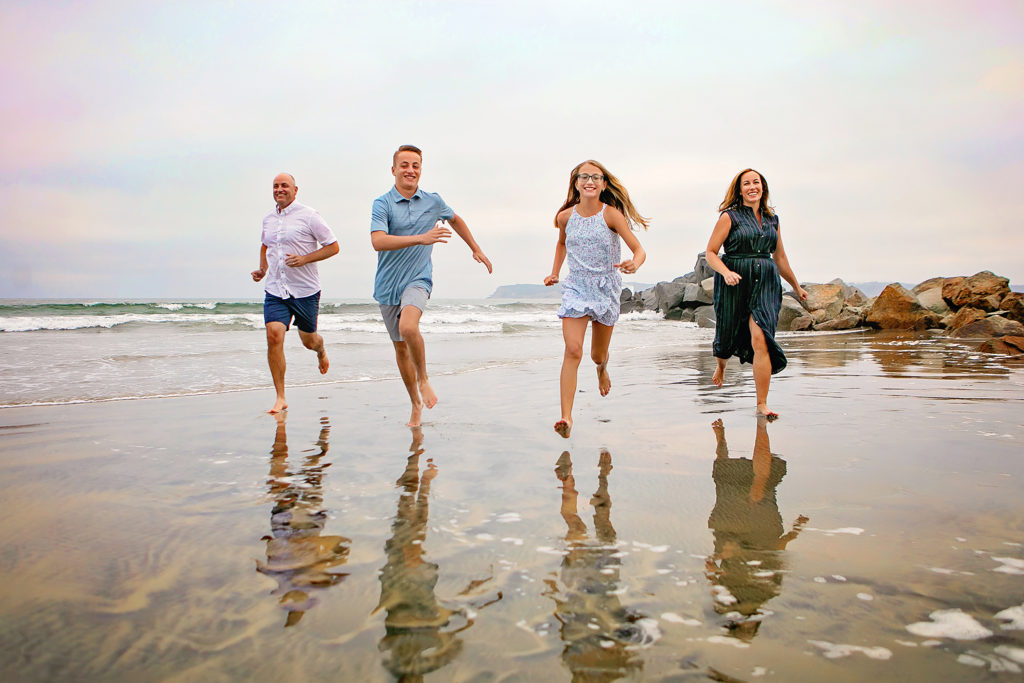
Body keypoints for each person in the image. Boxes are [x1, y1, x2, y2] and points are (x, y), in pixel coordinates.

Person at [370, 145, 492, 428]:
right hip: (387, 285)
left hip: (418, 278)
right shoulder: (382, 204)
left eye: (415, 165)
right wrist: (421, 238)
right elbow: (378, 241)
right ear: (394, 170)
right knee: (400, 349)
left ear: (420, 169)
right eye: (404, 165)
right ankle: (414, 403)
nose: (410, 170)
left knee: (408, 327)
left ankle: (423, 380)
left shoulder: (433, 201)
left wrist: (475, 248)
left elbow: (456, 219)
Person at [544, 160, 648, 438]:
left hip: (605, 288)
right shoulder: (565, 217)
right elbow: (562, 243)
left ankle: (602, 368)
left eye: (596, 177)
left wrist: (634, 264)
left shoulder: (611, 215)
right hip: (576, 287)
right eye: (584, 177)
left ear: (603, 183)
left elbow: (638, 250)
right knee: (573, 349)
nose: (589, 181)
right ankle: (566, 416)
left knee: (595, 355)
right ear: (576, 182)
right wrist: (555, 272)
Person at [704, 169, 807, 420]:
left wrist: (796, 285)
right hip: (735, 282)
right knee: (726, 332)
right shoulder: (730, 217)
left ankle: (762, 404)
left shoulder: (773, 219)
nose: (752, 186)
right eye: (746, 183)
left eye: (756, 182)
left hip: (766, 285)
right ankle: (721, 364)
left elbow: (779, 257)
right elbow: (711, 252)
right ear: (739, 190)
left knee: (761, 339)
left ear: (763, 187)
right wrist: (726, 272)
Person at [251, 173, 339, 414]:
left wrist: (305, 259)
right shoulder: (268, 218)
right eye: (275, 186)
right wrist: (262, 269)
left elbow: (333, 246)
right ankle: (280, 397)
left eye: (284, 186)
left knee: (308, 341)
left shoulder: (310, 216)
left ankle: (321, 350)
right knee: (274, 336)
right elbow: (266, 245)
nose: (279, 189)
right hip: (275, 289)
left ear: (295, 190)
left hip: (305, 291)